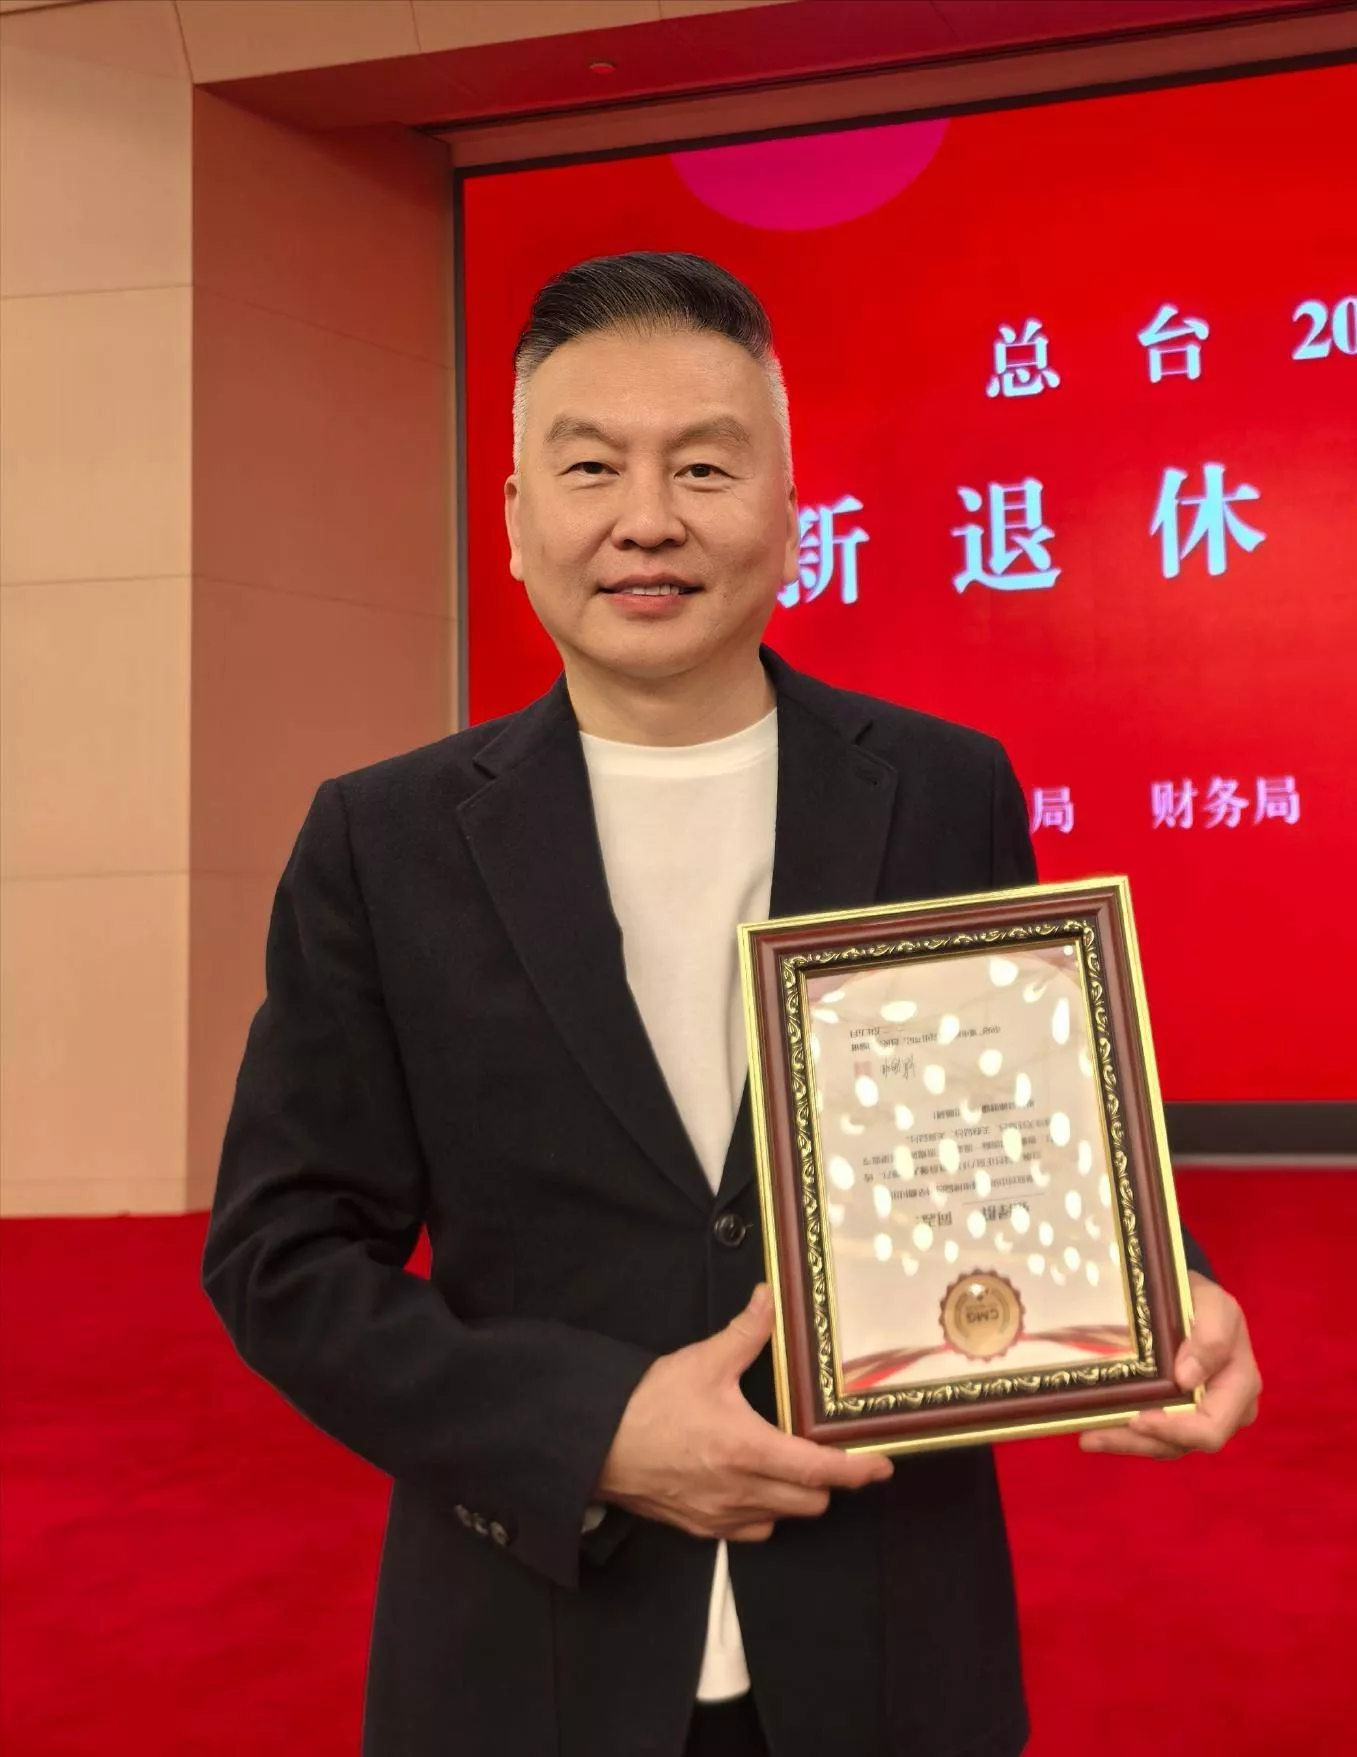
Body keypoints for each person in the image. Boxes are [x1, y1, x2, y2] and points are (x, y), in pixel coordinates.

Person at [201, 252, 1261, 1757]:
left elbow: (1038, 1134)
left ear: (790, 508)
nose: (648, 518)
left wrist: (1168, 1290)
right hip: (531, 1650)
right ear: (516, 518)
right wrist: (592, 1430)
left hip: (885, 1637)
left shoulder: (941, 789)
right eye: (591, 467)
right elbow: (284, 1253)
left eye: (704, 465)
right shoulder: (385, 841)